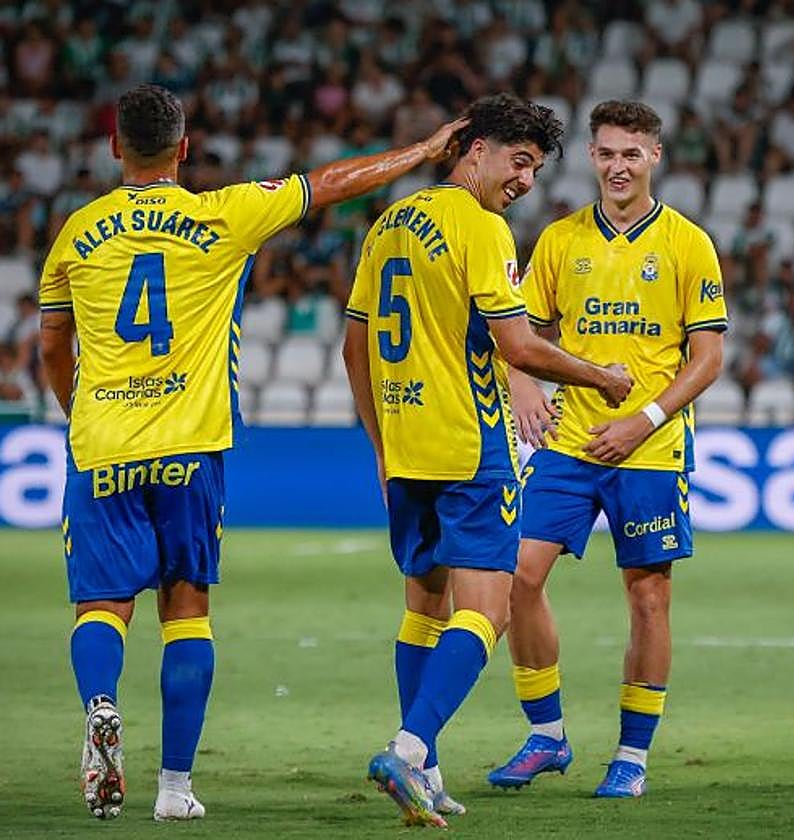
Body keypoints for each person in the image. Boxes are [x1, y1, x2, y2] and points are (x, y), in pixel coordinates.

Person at [38, 83, 468, 823]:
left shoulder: (77, 232)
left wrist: (79, 410)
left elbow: (51, 343)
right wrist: (424, 152)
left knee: (101, 608)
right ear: (183, 148)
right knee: (187, 613)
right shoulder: (222, 213)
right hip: (191, 447)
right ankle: (175, 789)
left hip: (102, 443)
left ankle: (102, 704)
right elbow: (329, 183)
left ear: (114, 147)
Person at [343, 92, 633, 827]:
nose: (524, 181)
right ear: (474, 149)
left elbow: (355, 346)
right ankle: (409, 750)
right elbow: (518, 347)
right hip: (471, 447)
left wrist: (382, 450)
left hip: (406, 448)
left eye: (534, 168)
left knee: (424, 606)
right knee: (489, 607)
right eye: (519, 161)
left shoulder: (388, 224)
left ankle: (428, 773)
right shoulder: (481, 227)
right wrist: (600, 376)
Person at [486, 100, 727, 798]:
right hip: (568, 441)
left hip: (648, 449)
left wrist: (644, 419)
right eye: (606, 153)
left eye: (631, 154)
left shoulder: (688, 243)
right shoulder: (561, 240)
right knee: (517, 576)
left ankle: (632, 757)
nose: (618, 166)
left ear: (655, 157)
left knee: (648, 599)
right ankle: (546, 736)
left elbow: (707, 358)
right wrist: (525, 386)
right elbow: (517, 333)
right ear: (591, 157)